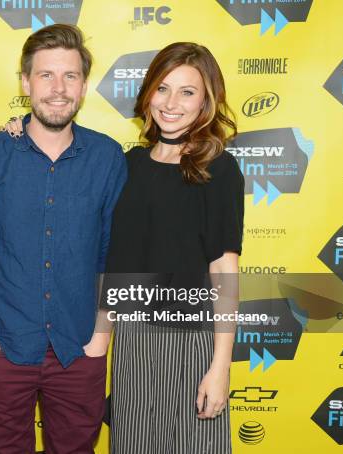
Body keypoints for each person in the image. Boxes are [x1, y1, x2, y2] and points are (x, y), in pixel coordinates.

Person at [0, 24, 126, 454]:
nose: (58, 88)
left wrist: (99, 340)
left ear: (84, 86)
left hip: (80, 348)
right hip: (5, 347)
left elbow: (115, 257)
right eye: (46, 75)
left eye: (70, 76)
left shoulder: (107, 157)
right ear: (26, 82)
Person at [105, 42, 244, 453]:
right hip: (132, 344)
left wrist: (220, 366)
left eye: (187, 92)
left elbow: (224, 268)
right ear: (148, 92)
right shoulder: (127, 164)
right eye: (162, 88)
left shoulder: (217, 168)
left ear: (206, 101)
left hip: (192, 343)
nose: (171, 103)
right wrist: (19, 127)